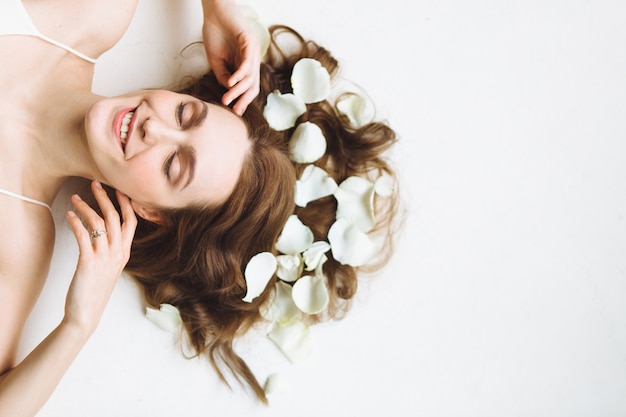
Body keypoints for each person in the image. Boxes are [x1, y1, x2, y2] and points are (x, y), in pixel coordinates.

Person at [0, 0, 399, 414]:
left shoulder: (18, 243)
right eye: (184, 113)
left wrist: (77, 326)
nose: (154, 127)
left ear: (152, 210)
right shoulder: (96, 12)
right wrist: (217, 7)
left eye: (174, 165)